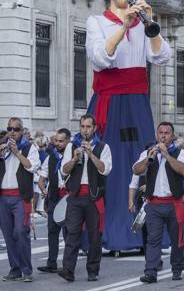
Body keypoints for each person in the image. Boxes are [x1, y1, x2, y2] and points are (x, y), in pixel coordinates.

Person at [86, 0, 172, 251]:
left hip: (136, 103)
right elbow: (101, 58)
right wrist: (124, 26)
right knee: (107, 164)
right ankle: (106, 233)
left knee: (141, 160)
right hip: (109, 103)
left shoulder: (143, 23)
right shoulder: (96, 21)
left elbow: (162, 56)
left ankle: (144, 230)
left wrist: (149, 25)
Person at [133, 122, 184, 284]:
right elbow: (136, 170)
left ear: (172, 136)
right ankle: (151, 272)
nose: (163, 136)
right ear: (157, 135)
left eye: (167, 133)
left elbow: (183, 170)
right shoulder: (148, 152)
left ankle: (177, 268)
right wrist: (148, 159)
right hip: (154, 203)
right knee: (153, 239)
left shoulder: (180, 153)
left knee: (177, 239)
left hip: (174, 203)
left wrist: (166, 155)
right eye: (160, 133)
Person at [58, 114, 112, 282]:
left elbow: (105, 170)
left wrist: (91, 154)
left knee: (94, 236)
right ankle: (68, 270)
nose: (85, 130)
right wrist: (75, 158)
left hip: (93, 197)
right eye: (82, 126)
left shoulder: (103, 147)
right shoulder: (71, 146)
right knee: (72, 234)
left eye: (88, 127)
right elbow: (64, 171)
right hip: (75, 196)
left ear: (94, 128)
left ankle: (93, 270)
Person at [0, 117, 41, 282]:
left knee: (20, 232)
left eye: (16, 129)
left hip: (20, 197)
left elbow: (32, 166)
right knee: (8, 235)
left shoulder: (29, 147)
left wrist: (17, 152)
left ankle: (26, 270)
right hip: (2, 196)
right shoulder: (0, 144)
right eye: (9, 128)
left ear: (22, 131)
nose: (12, 132)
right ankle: (15, 270)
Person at [37, 128, 71, 273]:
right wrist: (43, 188)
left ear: (68, 141)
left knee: (69, 233)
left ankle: (68, 264)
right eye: (56, 140)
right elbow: (42, 178)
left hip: (69, 198)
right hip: (54, 196)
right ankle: (51, 263)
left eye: (61, 141)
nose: (57, 143)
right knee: (52, 231)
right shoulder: (51, 157)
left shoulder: (73, 156)